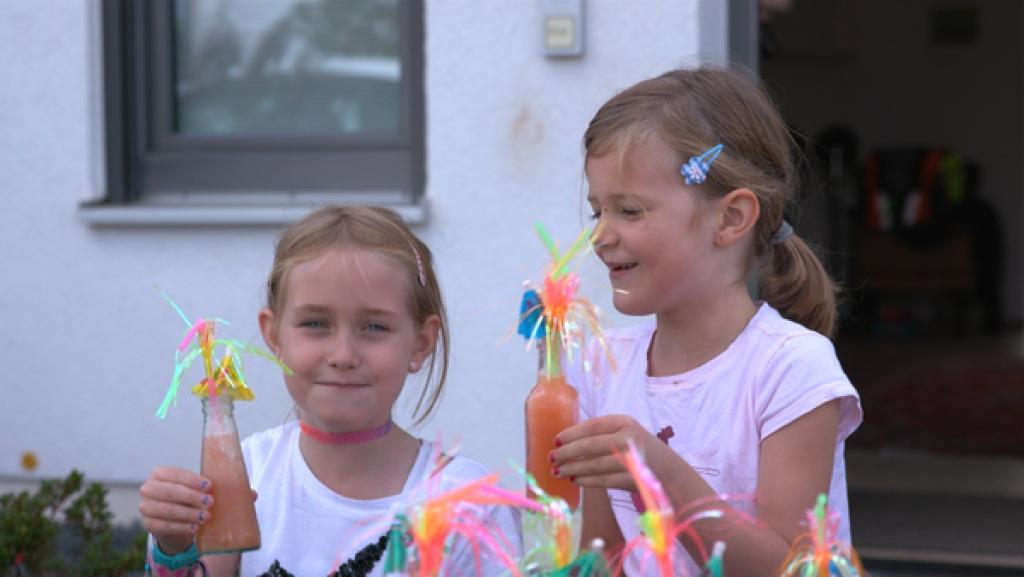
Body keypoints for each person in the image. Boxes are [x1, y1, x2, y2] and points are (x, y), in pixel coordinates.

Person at [549, 67, 862, 576]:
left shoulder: (791, 370)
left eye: (629, 210)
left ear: (731, 218)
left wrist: (659, 471)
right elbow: (603, 555)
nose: (601, 237)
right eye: (596, 212)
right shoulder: (603, 365)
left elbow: (789, 568)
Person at [139, 206, 521, 577]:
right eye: (316, 323)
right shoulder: (247, 475)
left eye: (373, 327)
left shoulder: (469, 504)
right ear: (274, 336)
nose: (343, 355)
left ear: (420, 344)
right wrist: (173, 547)